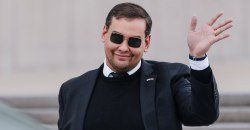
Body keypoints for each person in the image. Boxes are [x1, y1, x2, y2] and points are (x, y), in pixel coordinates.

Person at [58, 2, 233, 130]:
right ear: (104, 33)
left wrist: (198, 58)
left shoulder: (170, 78)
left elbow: (203, 115)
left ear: (146, 43)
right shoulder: (71, 90)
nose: (124, 47)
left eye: (134, 41)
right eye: (117, 38)